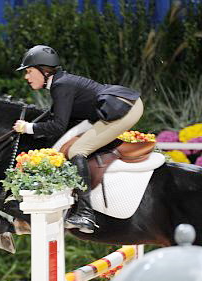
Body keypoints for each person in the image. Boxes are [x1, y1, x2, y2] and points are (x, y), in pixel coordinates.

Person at [12, 45, 143, 234]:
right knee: (69, 145)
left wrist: (28, 128)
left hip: (124, 108)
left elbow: (58, 126)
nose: (26, 77)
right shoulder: (60, 83)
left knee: (76, 151)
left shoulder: (60, 85)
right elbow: (64, 124)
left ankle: (86, 213)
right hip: (119, 106)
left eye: (29, 71)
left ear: (44, 70)